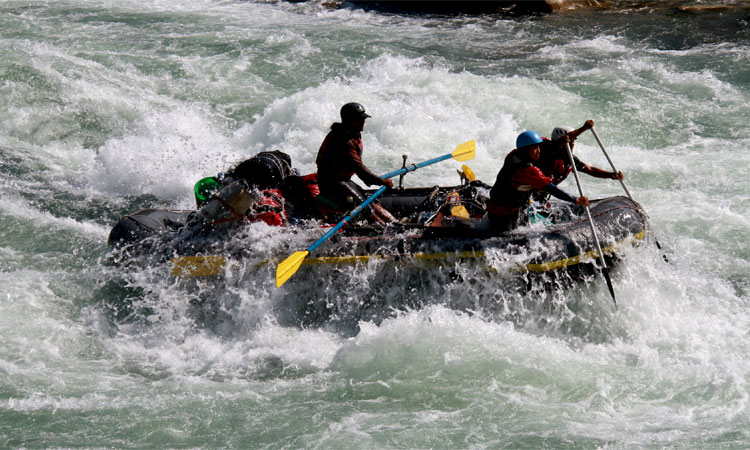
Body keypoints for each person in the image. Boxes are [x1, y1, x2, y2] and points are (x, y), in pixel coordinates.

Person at [486, 130, 589, 233]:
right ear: (525, 150)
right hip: (504, 214)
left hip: (500, 208)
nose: (539, 151)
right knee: (509, 234)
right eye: (535, 148)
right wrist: (575, 200)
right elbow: (551, 188)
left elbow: (553, 145)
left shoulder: (513, 155)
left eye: (539, 147)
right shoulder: (528, 170)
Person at [315, 102, 396, 224]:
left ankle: (395, 223)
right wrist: (381, 181)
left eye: (363, 119)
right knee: (364, 206)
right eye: (359, 119)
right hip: (331, 183)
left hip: (343, 180)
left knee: (370, 200)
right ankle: (384, 229)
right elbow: (358, 167)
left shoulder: (352, 133)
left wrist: (374, 180)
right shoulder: (342, 140)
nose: (363, 122)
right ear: (349, 120)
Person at [536, 119, 623, 187]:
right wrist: (584, 128)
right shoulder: (545, 148)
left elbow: (591, 170)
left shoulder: (569, 159)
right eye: (571, 141)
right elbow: (558, 143)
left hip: (543, 195)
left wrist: (611, 175)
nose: (573, 144)